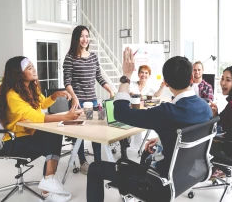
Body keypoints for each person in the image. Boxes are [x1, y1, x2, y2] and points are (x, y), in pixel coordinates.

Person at [86, 48, 212, 202]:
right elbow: (187, 131)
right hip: (187, 176)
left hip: (160, 181)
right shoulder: (205, 107)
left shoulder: (167, 112)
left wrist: (126, 76)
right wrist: (162, 140)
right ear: (192, 78)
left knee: (95, 168)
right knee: (146, 155)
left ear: (165, 82)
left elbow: (120, 112)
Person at [0, 56, 80, 202]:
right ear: (18, 73)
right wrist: (65, 117)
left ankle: (48, 182)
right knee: (50, 141)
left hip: (28, 132)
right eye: (29, 68)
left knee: (54, 134)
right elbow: (36, 117)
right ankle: (47, 187)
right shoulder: (12, 95)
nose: (34, 69)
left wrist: (54, 96)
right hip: (13, 139)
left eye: (32, 66)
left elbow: (43, 104)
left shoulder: (30, 87)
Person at [63, 25, 115, 174]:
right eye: (81, 36)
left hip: (92, 101)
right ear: (76, 38)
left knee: (96, 131)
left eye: (87, 36)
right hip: (77, 101)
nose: (85, 39)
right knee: (78, 133)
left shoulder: (93, 56)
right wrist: (74, 97)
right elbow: (67, 81)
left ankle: (98, 162)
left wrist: (110, 90)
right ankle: (82, 162)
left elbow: (98, 77)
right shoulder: (69, 58)